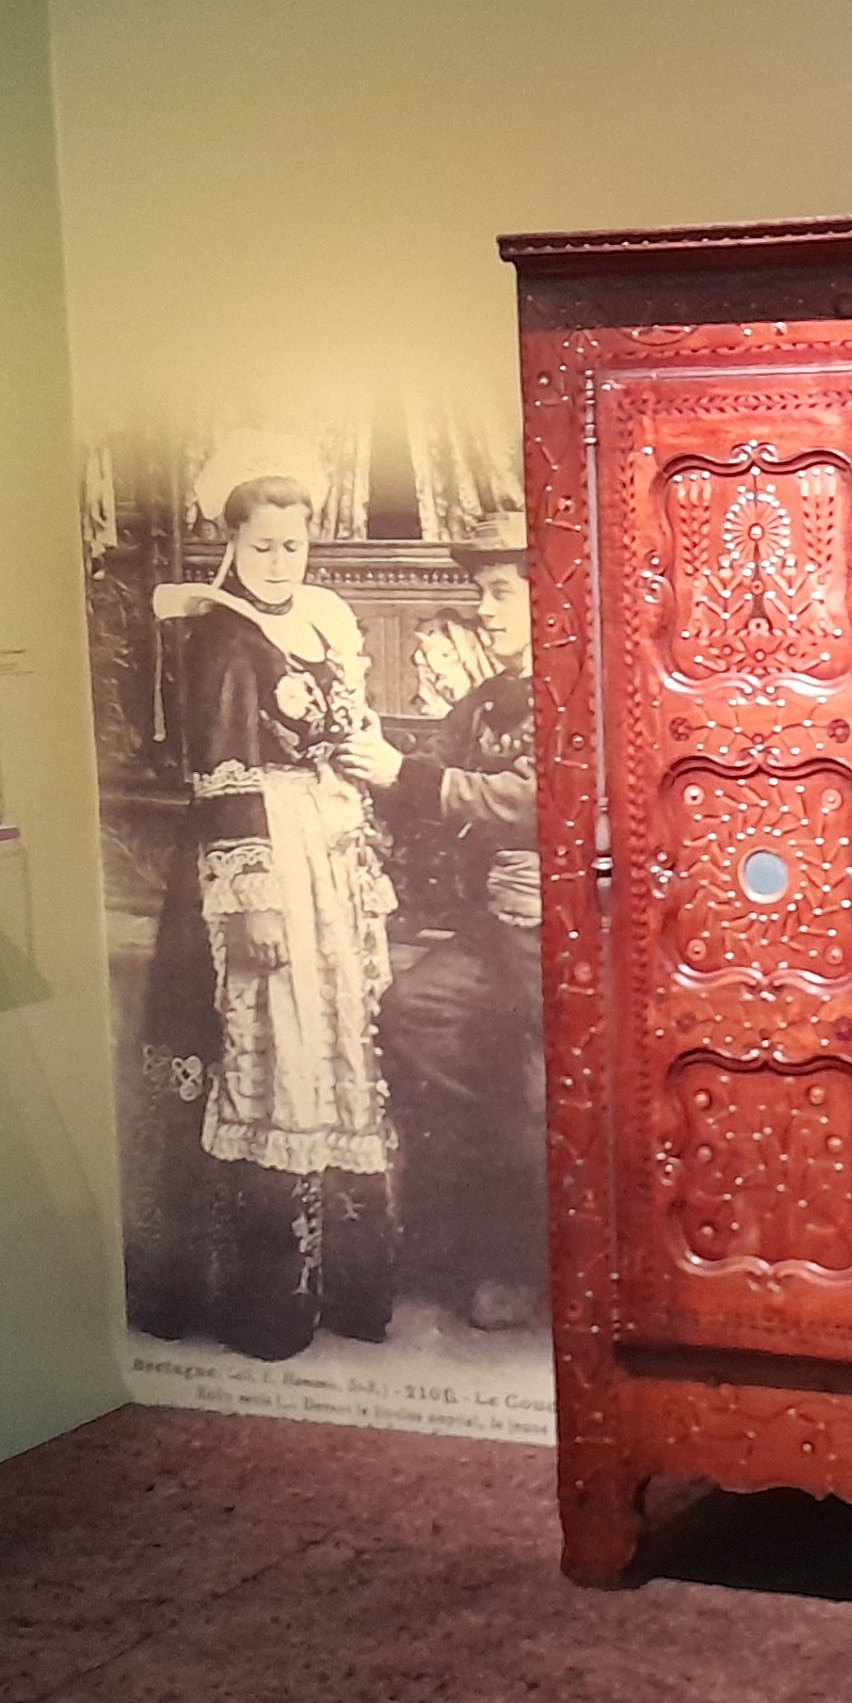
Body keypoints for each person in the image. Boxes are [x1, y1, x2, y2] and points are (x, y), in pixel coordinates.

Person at [134, 471, 399, 1356]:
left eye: (294, 545)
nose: (281, 562)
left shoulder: (320, 623)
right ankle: (263, 1303)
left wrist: (361, 757)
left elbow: (343, 728)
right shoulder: (220, 636)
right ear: (233, 544)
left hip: (326, 847)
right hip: (262, 857)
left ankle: (344, 1288)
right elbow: (223, 773)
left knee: (331, 1036)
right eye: (263, 546)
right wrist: (254, 903)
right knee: (270, 1041)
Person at [336, 514, 543, 1331]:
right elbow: (429, 768)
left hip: (568, 934)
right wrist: (371, 753)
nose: (484, 610)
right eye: (480, 592)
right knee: (413, 1010)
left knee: (533, 1084)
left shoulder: (582, 686)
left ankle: (516, 1261)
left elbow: (529, 801)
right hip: (496, 930)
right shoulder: (489, 699)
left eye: (500, 593)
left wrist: (411, 778)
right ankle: (452, 1230)